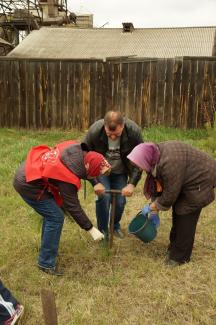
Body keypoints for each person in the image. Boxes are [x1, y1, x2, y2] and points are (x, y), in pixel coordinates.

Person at [13, 140, 111, 276]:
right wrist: (90, 228)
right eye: (94, 175)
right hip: (28, 184)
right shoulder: (67, 178)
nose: (95, 177)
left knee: (52, 215)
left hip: (29, 170)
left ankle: (46, 249)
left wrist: (95, 182)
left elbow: (90, 166)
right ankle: (46, 263)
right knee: (55, 217)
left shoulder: (78, 150)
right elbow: (72, 206)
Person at [127, 141, 216, 266]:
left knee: (185, 213)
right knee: (178, 209)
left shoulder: (169, 163)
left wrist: (154, 206)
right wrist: (155, 205)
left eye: (140, 164)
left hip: (201, 178)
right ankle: (174, 247)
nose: (140, 168)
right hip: (186, 178)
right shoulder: (155, 156)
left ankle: (180, 257)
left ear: (146, 158)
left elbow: (170, 194)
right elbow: (160, 185)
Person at [84, 110, 143, 239]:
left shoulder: (133, 131)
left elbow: (141, 158)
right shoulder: (95, 131)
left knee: (120, 202)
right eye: (109, 134)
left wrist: (132, 183)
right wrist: (95, 182)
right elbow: (84, 156)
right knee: (104, 198)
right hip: (101, 171)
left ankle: (114, 226)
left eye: (116, 134)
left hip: (121, 171)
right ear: (104, 126)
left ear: (123, 125)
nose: (112, 137)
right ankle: (103, 230)